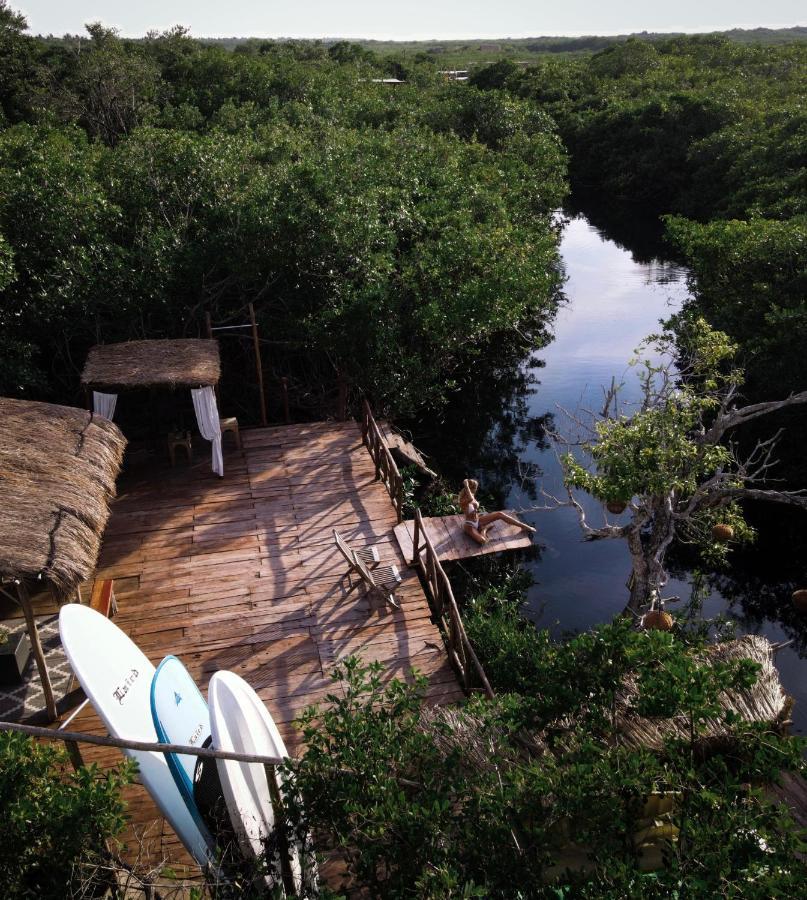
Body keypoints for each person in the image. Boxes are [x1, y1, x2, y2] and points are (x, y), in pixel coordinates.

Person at [457, 478, 536, 545]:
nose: (476, 490)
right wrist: (466, 485)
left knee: (499, 514)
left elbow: (473, 500)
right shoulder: (462, 501)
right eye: (474, 489)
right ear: (469, 490)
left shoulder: (472, 496)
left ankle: (523, 526)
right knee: (483, 541)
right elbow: (470, 500)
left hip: (478, 520)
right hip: (470, 525)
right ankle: (484, 529)